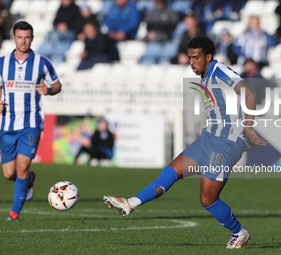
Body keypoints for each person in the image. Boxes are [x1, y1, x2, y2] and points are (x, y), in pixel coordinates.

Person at [103, 36, 266, 249]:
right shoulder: (205, 75)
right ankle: (130, 203)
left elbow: (249, 93)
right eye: (189, 57)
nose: (191, 62)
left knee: (207, 199)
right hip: (209, 137)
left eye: (196, 58)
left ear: (208, 57)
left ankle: (239, 231)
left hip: (227, 142)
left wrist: (248, 127)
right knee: (170, 172)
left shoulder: (220, 71)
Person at [0, 21, 62, 221]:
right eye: (20, 37)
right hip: (7, 125)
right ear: (13, 38)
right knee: (9, 174)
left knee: (22, 167)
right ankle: (28, 180)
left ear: (31, 38)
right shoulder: (2, 62)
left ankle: (14, 213)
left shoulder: (42, 62)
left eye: (27, 37)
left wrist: (48, 90)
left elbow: (57, 85)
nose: (23, 41)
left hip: (31, 124)